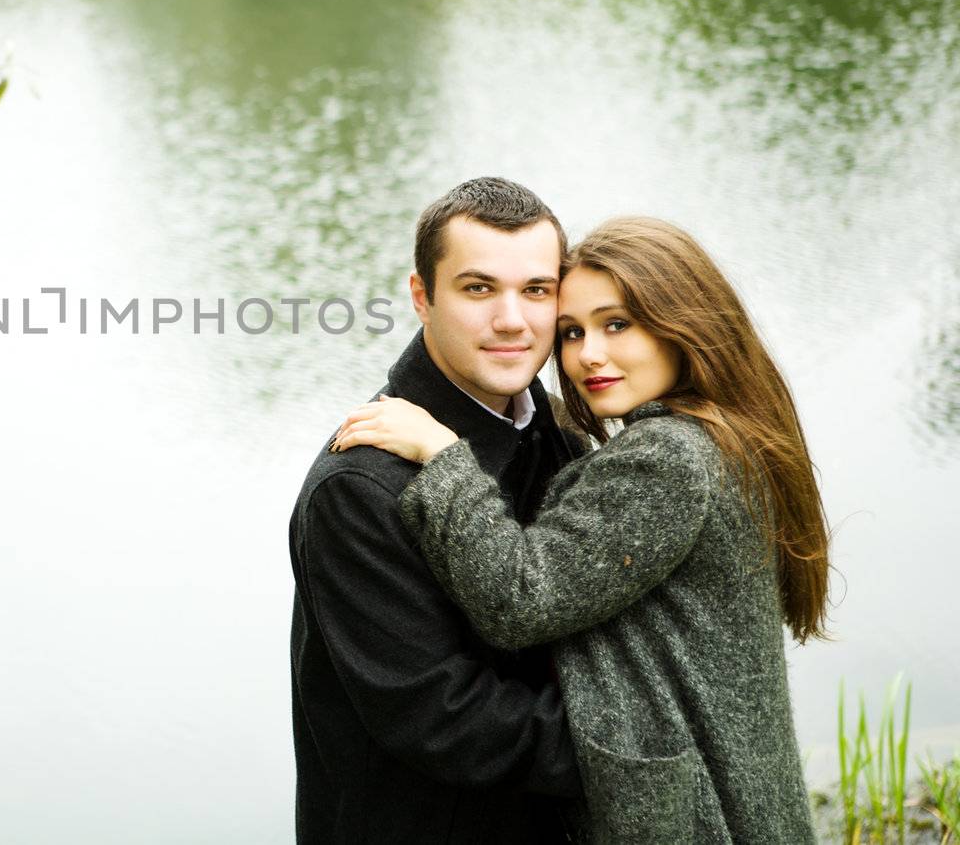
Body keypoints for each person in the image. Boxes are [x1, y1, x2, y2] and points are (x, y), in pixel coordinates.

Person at [332, 217, 828, 843]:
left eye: (617, 324)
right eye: (571, 332)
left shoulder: (667, 459)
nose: (589, 354)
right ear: (422, 296)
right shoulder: (721, 435)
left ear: (687, 326)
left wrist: (445, 455)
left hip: (703, 816)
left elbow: (520, 600)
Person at [290, 177, 584, 844]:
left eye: (536, 289)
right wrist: (639, 740)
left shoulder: (558, 437)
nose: (513, 318)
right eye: (478, 288)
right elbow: (444, 717)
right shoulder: (359, 486)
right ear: (423, 296)